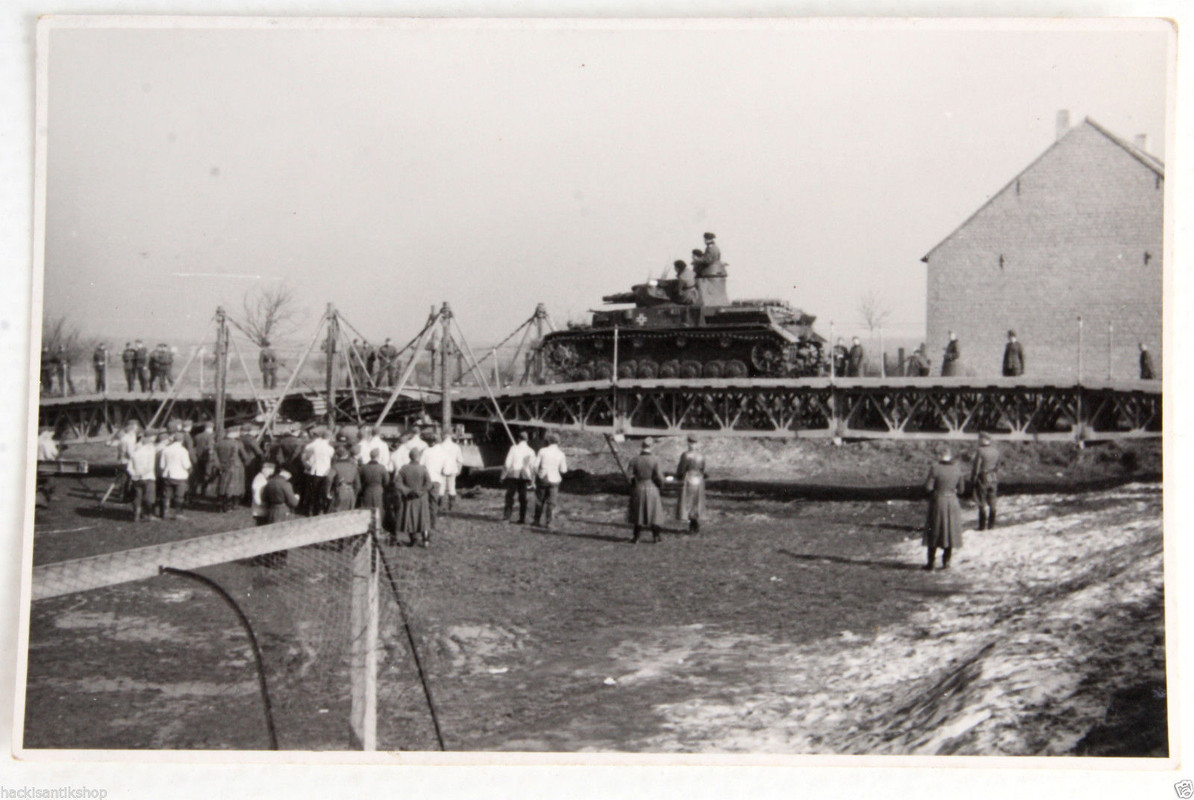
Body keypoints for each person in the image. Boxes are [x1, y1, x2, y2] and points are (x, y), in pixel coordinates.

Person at [923, 448, 965, 571]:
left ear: (940, 456)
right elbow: (961, 490)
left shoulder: (935, 468)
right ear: (950, 456)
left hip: (938, 501)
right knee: (950, 532)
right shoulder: (957, 469)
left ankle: (931, 563)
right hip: (952, 502)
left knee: (934, 531)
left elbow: (928, 487)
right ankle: (946, 562)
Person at [627, 437, 665, 544]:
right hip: (651, 487)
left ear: (641, 446)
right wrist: (661, 486)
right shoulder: (655, 460)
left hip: (639, 487)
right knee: (654, 513)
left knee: (638, 513)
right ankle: (656, 536)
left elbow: (628, 476)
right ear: (652, 446)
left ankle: (636, 537)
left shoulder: (634, 459)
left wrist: (633, 485)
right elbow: (660, 477)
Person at [397, 448, 433, 547]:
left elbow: (398, 483)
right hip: (421, 498)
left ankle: (412, 539)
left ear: (410, 457)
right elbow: (429, 484)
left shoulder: (403, 469)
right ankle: (425, 540)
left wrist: (407, 491)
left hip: (409, 498)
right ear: (418, 457)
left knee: (410, 518)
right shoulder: (423, 469)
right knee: (423, 518)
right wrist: (420, 492)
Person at [532, 431, 568, 530]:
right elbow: (563, 470)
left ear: (548, 441)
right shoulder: (561, 454)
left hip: (543, 477)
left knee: (540, 500)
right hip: (555, 478)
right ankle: (549, 522)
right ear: (558, 442)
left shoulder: (542, 451)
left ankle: (536, 520)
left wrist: (537, 476)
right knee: (552, 502)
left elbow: (535, 466)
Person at [501, 431, 536, 524]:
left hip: (514, 474)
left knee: (510, 496)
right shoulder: (531, 451)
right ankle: (522, 518)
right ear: (527, 440)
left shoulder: (513, 448)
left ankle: (506, 517)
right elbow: (533, 467)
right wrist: (533, 480)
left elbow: (507, 463)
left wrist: (503, 475)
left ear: (518, 439)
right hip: (525, 475)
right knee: (523, 497)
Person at [675, 434, 707, 534]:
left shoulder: (685, 455)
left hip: (688, 479)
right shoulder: (702, 456)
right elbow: (703, 469)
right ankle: (695, 523)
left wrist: (678, 476)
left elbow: (681, 469)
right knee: (697, 502)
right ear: (697, 443)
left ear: (688, 443)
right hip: (699, 480)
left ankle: (692, 524)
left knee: (687, 502)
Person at [213, 427, 250, 513]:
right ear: (234, 433)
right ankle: (232, 505)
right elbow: (245, 456)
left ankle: (221, 505)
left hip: (222, 466)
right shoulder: (237, 443)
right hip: (235, 467)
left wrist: (219, 465)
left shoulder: (219, 443)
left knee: (223, 486)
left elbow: (214, 456)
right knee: (235, 488)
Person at [970, 432, 1001, 530]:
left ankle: (982, 526)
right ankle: (992, 525)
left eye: (980, 439)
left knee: (981, 499)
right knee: (992, 499)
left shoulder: (980, 451)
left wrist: (973, 478)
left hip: (983, 476)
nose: (978, 440)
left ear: (983, 440)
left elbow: (976, 467)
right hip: (993, 476)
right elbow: (998, 466)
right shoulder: (996, 451)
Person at [158, 432, 193, 520]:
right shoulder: (183, 451)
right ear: (182, 440)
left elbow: (162, 465)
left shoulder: (166, 450)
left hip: (168, 474)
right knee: (179, 496)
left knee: (167, 495)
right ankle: (178, 514)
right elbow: (186, 465)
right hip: (180, 476)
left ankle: (165, 513)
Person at [301, 427, 335, 515]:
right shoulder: (330, 449)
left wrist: (307, 460)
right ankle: (319, 510)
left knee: (312, 492)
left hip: (314, 470)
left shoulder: (314, 445)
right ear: (329, 437)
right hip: (324, 472)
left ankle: (309, 510)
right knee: (322, 493)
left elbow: (307, 449)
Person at [127, 432, 158, 523]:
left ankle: (136, 515)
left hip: (136, 478)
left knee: (137, 496)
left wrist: (134, 474)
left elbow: (129, 467)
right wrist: (142, 474)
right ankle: (148, 515)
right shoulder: (150, 452)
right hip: (148, 477)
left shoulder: (135, 452)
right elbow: (150, 467)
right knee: (149, 497)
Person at [420, 432, 448, 529]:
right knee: (433, 502)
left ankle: (424, 522)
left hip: (426, 479)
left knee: (425, 501)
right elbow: (445, 470)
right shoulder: (443, 452)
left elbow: (421, 465)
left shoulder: (426, 451)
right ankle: (433, 523)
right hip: (436, 480)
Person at [328, 444, 362, 512]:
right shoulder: (353, 466)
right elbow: (358, 485)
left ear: (337, 456)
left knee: (336, 513)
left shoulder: (335, 466)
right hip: (351, 491)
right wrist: (354, 494)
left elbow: (329, 478)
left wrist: (327, 491)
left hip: (340, 491)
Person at [440, 431, 464, 512]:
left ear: (444, 437)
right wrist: (459, 469)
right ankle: (451, 506)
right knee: (452, 487)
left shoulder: (440, 446)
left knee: (441, 487)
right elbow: (460, 460)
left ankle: (441, 505)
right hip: (453, 468)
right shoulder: (456, 447)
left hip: (442, 468)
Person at [251, 461, 277, 526]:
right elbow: (256, 494)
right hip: (260, 511)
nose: (271, 474)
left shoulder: (262, 478)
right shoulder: (259, 479)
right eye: (270, 472)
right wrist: (262, 504)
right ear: (265, 470)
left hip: (262, 510)